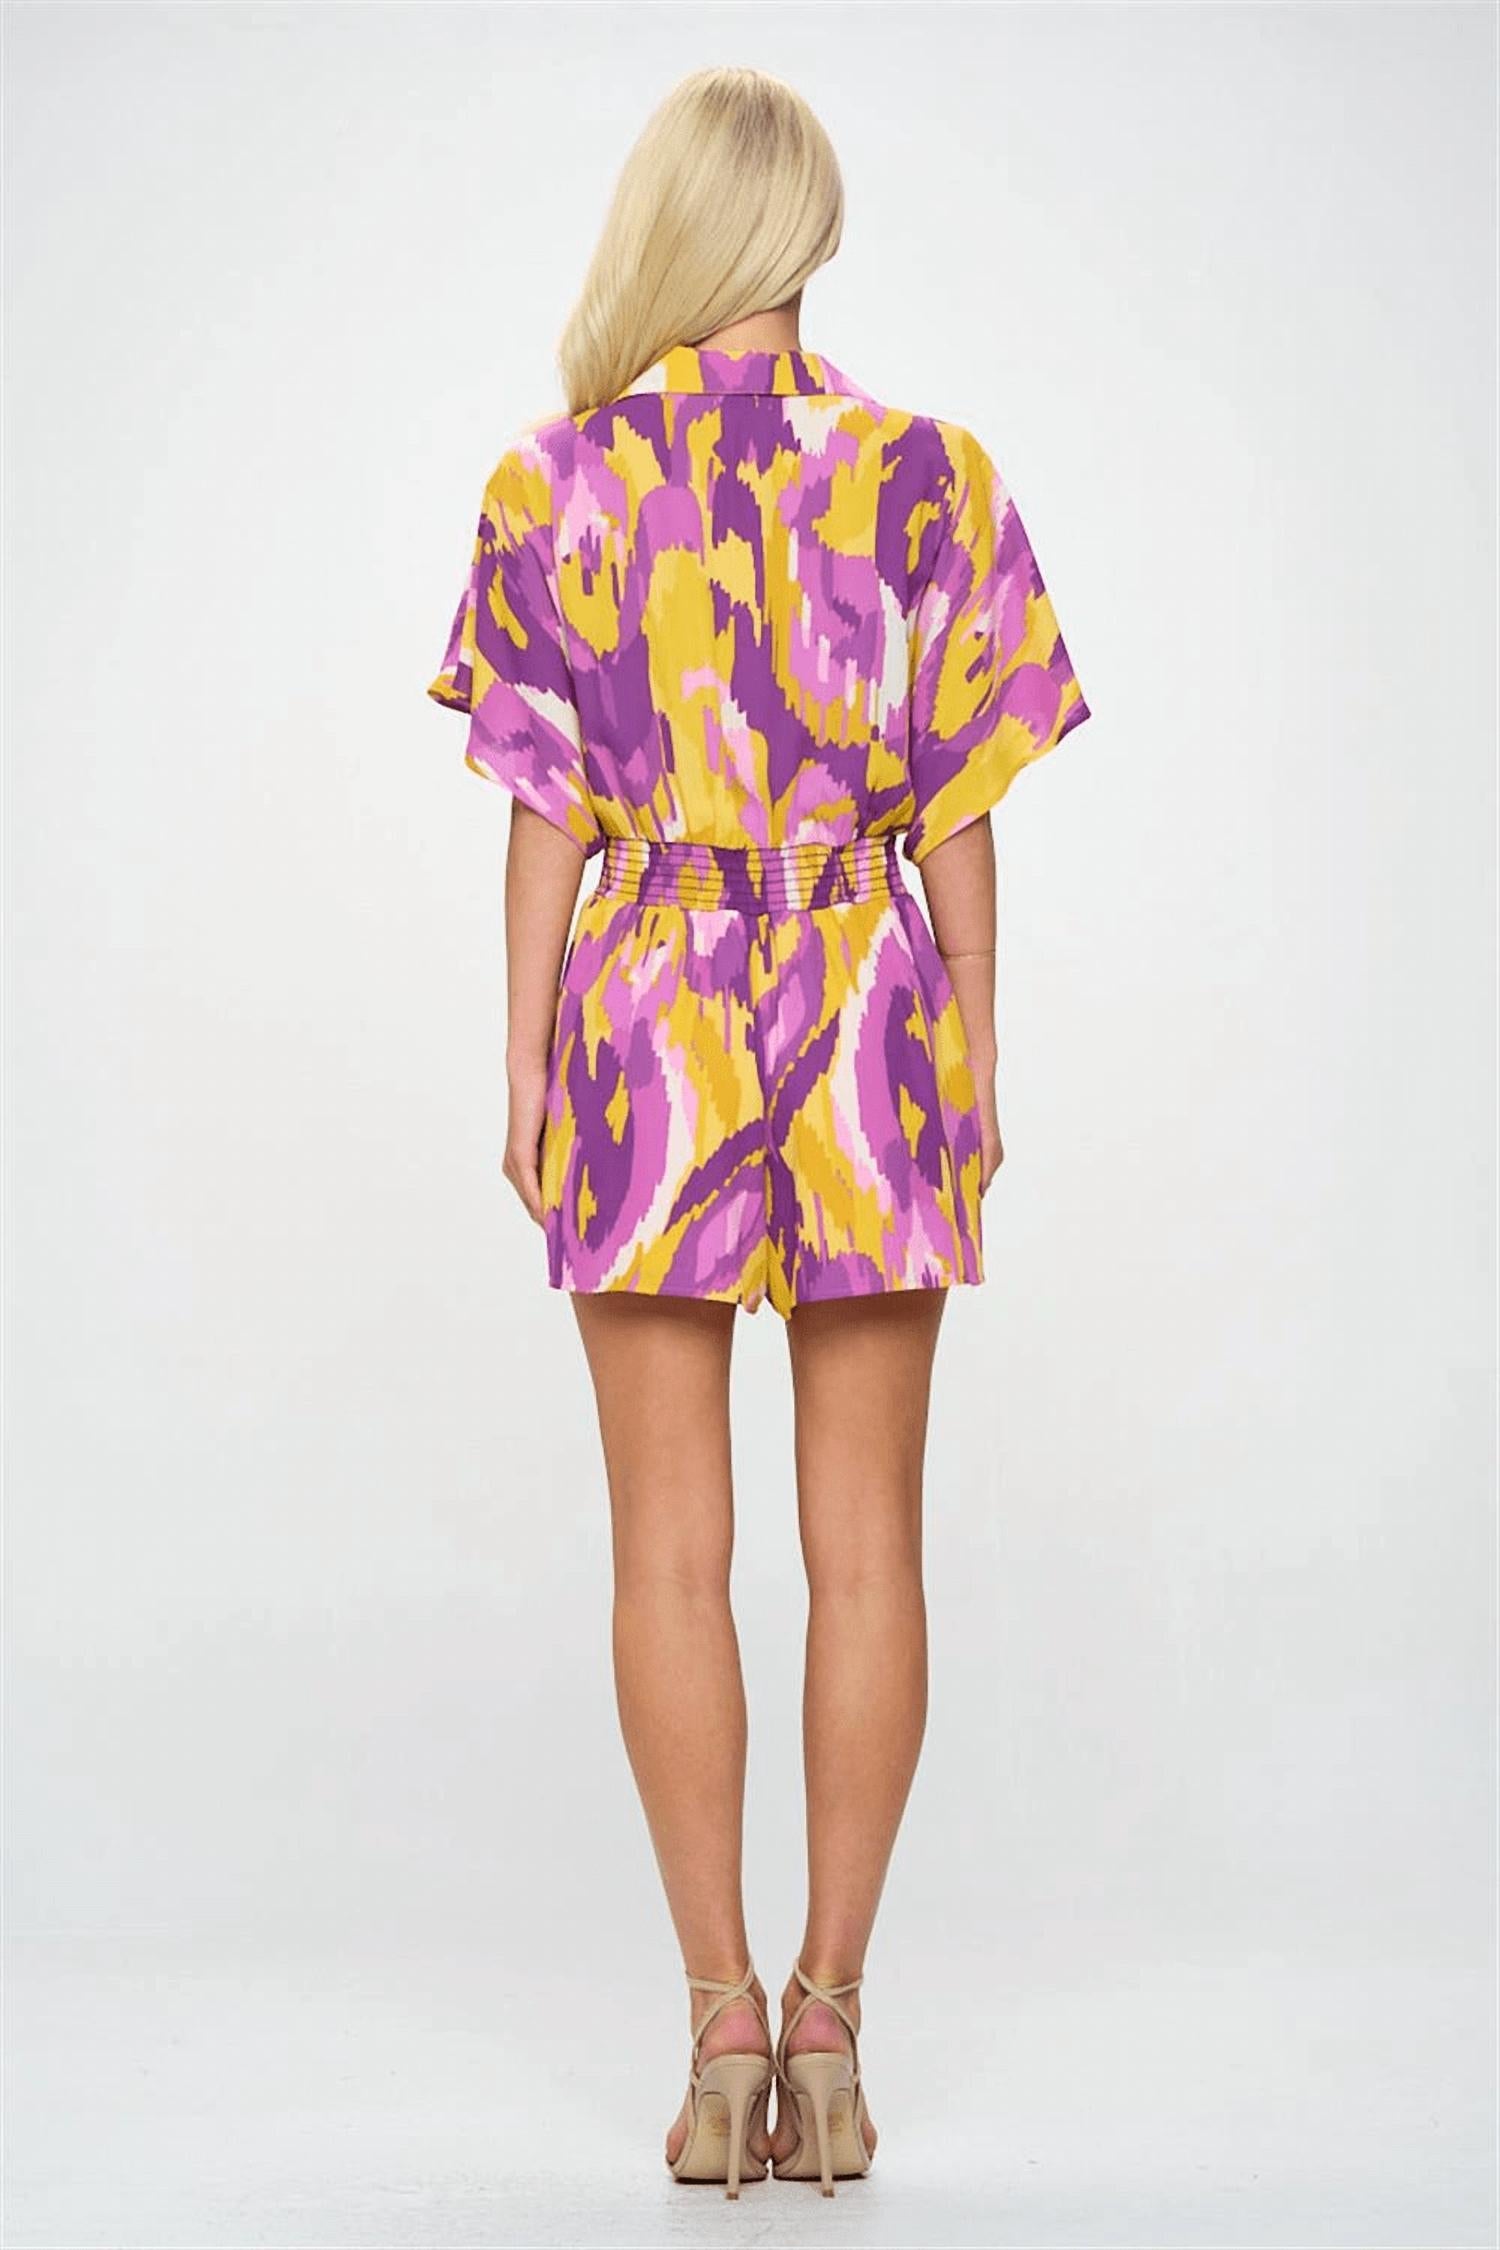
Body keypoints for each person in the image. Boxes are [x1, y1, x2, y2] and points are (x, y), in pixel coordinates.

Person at [425, 63, 1091, 2199]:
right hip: (867, 995)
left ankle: (721, 2033)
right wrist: (971, 1053)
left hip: (645, 1011)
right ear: (810, 231)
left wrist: (526, 1059)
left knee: (671, 1550)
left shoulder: (556, 487)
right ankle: (836, 2027)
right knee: (870, 1543)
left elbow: (544, 809)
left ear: (668, 227)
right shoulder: (929, 478)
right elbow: (962, 808)